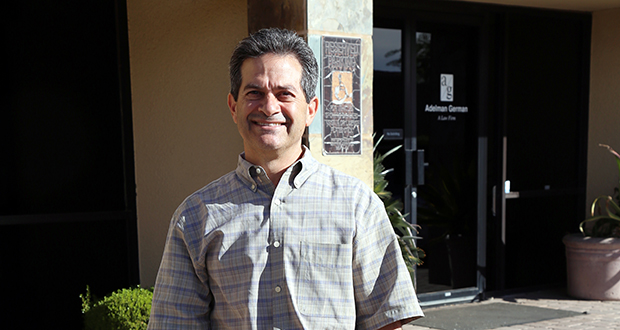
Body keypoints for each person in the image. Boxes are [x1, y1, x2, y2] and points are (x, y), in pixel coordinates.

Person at [148, 28, 424, 330]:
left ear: (311, 110)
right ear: (233, 107)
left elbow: (385, 321)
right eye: (254, 93)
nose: (269, 107)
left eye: (285, 94)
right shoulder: (195, 217)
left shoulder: (357, 206)